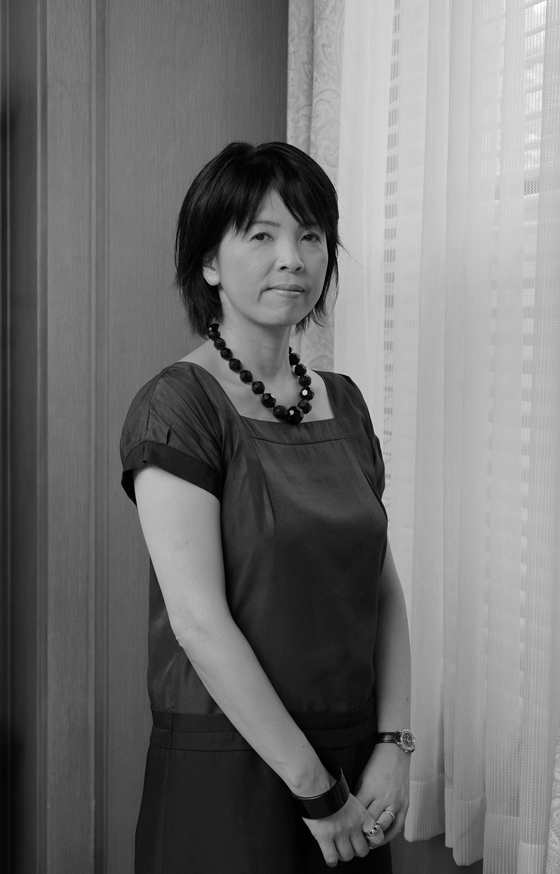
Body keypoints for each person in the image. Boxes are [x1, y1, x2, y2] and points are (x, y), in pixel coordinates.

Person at [120, 141, 413, 873]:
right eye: (261, 235)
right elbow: (198, 621)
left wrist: (393, 744)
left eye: (310, 235)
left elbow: (381, 588)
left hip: (356, 763)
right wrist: (318, 792)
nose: (293, 258)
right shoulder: (178, 405)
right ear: (209, 264)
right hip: (231, 767)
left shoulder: (344, 402)